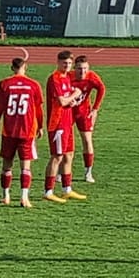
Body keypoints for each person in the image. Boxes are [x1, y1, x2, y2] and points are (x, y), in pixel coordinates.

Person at [0, 56, 44, 208]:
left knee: (7, 165)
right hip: (27, 130)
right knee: (25, 166)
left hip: (9, 130)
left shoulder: (4, 84)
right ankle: (24, 197)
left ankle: (6, 195)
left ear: (12, 68)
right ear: (25, 67)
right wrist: (41, 126)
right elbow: (38, 110)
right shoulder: (34, 85)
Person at [41, 50, 88, 203]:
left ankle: (67, 189)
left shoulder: (66, 78)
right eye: (64, 63)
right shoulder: (54, 79)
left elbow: (66, 100)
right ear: (58, 62)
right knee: (57, 156)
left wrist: (72, 101)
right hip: (58, 123)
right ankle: (48, 190)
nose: (67, 66)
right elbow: (61, 101)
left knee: (69, 155)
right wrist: (75, 94)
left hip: (67, 122)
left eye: (69, 63)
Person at [72, 54, 106, 183]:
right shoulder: (68, 77)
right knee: (66, 142)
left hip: (84, 112)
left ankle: (88, 172)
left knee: (87, 140)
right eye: (80, 68)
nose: (83, 71)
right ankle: (61, 171)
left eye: (85, 68)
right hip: (68, 112)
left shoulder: (91, 77)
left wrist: (95, 109)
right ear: (75, 68)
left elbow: (102, 88)